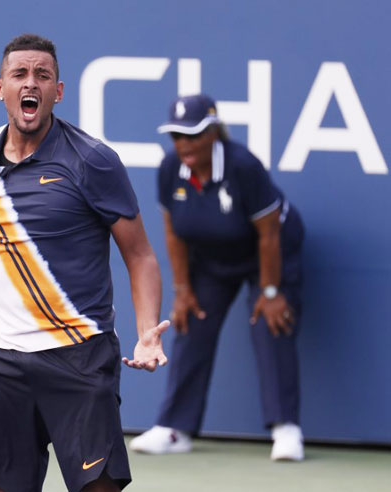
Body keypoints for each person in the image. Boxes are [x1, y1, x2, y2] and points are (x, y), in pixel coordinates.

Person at [0, 34, 169, 492]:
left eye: (43, 75)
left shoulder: (93, 161)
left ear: (58, 91)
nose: (32, 83)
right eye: (20, 74)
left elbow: (140, 255)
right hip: (3, 363)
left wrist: (146, 332)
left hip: (81, 357)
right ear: (0, 88)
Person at [129, 94, 305, 461]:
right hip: (212, 257)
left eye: (193, 135)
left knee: (269, 322)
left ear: (214, 133)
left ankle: (285, 428)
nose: (184, 144)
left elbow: (270, 233)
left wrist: (271, 291)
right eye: (177, 136)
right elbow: (174, 232)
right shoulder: (169, 169)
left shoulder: (243, 166)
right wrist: (182, 290)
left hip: (266, 253)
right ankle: (175, 429)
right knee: (191, 319)